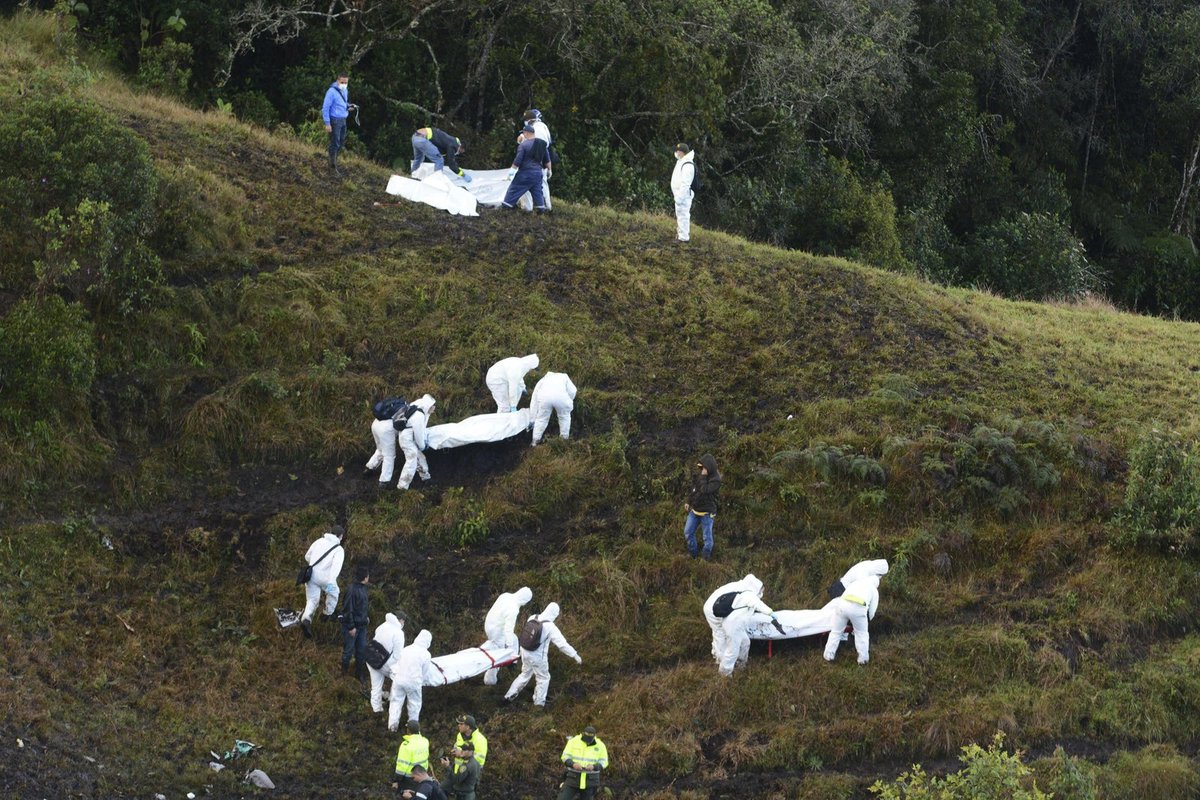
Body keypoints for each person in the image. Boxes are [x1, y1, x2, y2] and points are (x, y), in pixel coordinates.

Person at [503, 602, 582, 707]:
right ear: (554, 614)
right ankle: (539, 704)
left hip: (524, 651)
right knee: (543, 678)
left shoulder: (533, 617)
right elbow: (562, 645)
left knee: (524, 674)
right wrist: (575, 655)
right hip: (537, 657)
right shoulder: (550, 627)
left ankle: (508, 696)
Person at [701, 574, 777, 677]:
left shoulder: (739, 587)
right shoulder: (747, 594)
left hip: (721, 611)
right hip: (715, 612)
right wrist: (771, 613)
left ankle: (739, 665)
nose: (761, 593)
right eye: (760, 591)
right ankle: (724, 671)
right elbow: (756, 604)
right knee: (723, 640)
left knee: (744, 642)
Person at [824, 560, 888, 665]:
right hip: (858, 609)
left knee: (836, 631)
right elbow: (871, 611)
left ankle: (828, 656)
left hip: (842, 605)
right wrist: (865, 622)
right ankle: (863, 660)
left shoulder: (857, 582)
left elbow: (844, 595)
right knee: (862, 634)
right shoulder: (874, 590)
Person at [299, 525, 346, 638]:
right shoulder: (339, 550)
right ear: (341, 536)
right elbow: (336, 567)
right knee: (333, 593)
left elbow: (307, 556)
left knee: (311, 600)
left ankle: (306, 619)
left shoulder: (319, 541)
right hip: (326, 580)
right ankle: (327, 613)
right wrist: (331, 581)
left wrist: (315, 564)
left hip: (312, 577)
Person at [482, 587, 533, 684]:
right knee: (499, 654)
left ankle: (512, 662)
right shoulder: (513, 609)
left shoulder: (505, 595)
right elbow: (508, 630)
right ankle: (490, 680)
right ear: (524, 600)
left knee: (514, 640)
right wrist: (508, 647)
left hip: (489, 625)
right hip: (496, 632)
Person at [390, 629, 433, 731]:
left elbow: (398, 664)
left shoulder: (406, 649)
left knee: (395, 702)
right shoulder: (426, 654)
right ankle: (412, 728)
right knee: (414, 705)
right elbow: (425, 672)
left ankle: (392, 726)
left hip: (399, 680)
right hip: (413, 682)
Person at [500, 127, 550, 212]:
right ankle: (541, 210)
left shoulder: (523, 145)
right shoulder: (542, 144)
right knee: (538, 192)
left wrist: (510, 174)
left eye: (523, 133)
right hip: (538, 173)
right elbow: (547, 160)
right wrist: (549, 170)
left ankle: (506, 207)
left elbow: (517, 161)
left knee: (513, 189)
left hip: (525, 173)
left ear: (526, 133)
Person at [683, 454, 721, 560]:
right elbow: (694, 490)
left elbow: (704, 490)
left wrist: (704, 477)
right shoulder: (700, 476)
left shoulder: (716, 480)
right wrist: (688, 501)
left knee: (707, 540)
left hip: (707, 513)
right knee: (688, 532)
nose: (702, 470)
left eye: (704, 468)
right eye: (702, 468)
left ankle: (705, 559)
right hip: (695, 510)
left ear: (709, 467)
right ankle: (693, 555)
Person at [368, 612, 406, 715]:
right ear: (401, 620)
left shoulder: (383, 625)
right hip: (384, 663)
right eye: (403, 621)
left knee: (375, 686)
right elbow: (397, 655)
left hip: (371, 658)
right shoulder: (399, 633)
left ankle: (376, 710)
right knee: (398, 679)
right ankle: (392, 702)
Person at [557, 725, 608, 800]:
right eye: (586, 738)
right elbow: (565, 756)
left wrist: (594, 766)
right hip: (573, 778)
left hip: (590, 781)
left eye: (590, 739)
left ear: (594, 736)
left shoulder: (601, 745)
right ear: (583, 734)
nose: (587, 741)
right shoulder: (573, 741)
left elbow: (604, 762)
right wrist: (573, 764)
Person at [397, 394, 436, 490]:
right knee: (411, 462)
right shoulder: (419, 416)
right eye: (433, 406)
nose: (434, 409)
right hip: (407, 440)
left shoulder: (418, 407)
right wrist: (422, 446)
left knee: (420, 457)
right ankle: (402, 487)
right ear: (428, 406)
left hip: (407, 437)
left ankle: (426, 478)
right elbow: (419, 435)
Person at [341, 563, 371, 679]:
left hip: (362, 626)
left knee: (361, 652)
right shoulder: (352, 590)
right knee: (348, 651)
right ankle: (343, 674)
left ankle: (359, 675)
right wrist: (351, 626)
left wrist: (365, 618)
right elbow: (348, 609)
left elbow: (361, 607)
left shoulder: (363, 589)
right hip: (353, 628)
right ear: (365, 577)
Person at [529, 372, 577, 445]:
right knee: (564, 417)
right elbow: (573, 391)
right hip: (561, 398)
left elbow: (534, 398)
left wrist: (532, 418)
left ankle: (535, 441)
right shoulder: (564, 377)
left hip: (544, 398)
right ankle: (564, 440)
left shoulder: (543, 379)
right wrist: (569, 400)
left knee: (541, 419)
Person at [366, 398, 403, 485]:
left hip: (375, 424)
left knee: (380, 449)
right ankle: (384, 481)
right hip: (386, 429)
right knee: (389, 456)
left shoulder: (398, 406)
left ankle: (369, 468)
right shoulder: (413, 414)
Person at [321, 72, 352, 175]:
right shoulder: (331, 92)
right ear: (338, 80)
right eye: (342, 82)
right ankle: (332, 168)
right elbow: (325, 108)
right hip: (334, 120)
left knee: (341, 142)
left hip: (343, 119)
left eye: (346, 82)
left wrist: (348, 106)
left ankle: (333, 161)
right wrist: (327, 123)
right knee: (335, 142)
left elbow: (342, 103)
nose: (344, 84)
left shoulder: (344, 90)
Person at [523, 109, 553, 211]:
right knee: (543, 184)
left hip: (533, 163)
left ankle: (528, 208)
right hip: (543, 161)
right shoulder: (544, 127)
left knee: (525, 183)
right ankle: (547, 206)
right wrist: (549, 168)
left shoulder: (532, 130)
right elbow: (548, 147)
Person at [392, 720, 432, 790]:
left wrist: (396, 780)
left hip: (409, 778)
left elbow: (401, 766)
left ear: (408, 730)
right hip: (422, 775)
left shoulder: (406, 745)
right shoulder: (425, 741)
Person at [670, 143, 696, 242]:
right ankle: (680, 234)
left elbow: (686, 183)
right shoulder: (681, 161)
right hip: (679, 195)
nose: (676, 152)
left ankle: (684, 238)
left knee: (683, 215)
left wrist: (679, 197)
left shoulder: (688, 164)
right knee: (680, 214)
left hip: (684, 196)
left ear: (681, 152)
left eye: (677, 150)